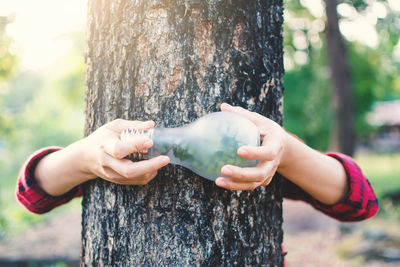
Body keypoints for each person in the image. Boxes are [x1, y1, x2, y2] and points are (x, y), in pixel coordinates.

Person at [16, 103, 378, 221]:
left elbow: (360, 202)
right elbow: (32, 194)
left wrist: (288, 152)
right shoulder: (104, 156)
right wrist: (84, 157)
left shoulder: (259, 151)